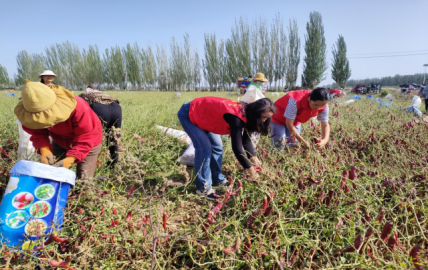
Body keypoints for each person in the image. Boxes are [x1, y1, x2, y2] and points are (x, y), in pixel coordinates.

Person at [177, 97, 275, 200]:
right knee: (204, 149)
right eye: (263, 117)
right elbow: (237, 148)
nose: (264, 121)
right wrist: (251, 170)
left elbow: (246, 141)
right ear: (256, 113)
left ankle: (217, 179)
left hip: (206, 116)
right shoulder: (237, 118)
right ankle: (203, 188)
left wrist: (254, 157)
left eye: (267, 118)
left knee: (217, 147)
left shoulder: (249, 116)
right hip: (190, 113)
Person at [15, 78, 103, 180]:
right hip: (59, 139)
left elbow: (87, 136)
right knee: (52, 173)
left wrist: (71, 158)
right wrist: (44, 149)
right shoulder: (30, 115)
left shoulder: (79, 108)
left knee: (84, 178)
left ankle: (84, 192)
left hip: (88, 142)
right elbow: (37, 132)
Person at [79, 85, 122, 167]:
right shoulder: (102, 94)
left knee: (92, 138)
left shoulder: (84, 95)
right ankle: (112, 165)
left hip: (99, 108)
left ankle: (89, 165)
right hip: (116, 108)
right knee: (114, 137)